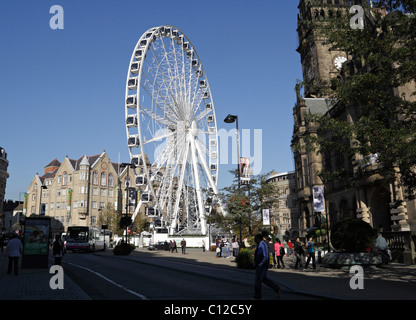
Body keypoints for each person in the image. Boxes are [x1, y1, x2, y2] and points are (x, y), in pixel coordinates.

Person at [253, 232, 281, 300]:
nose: (255, 240)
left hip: (262, 265)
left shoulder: (262, 245)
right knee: (264, 279)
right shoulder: (260, 244)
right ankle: (277, 288)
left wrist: (260, 264)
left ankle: (258, 296)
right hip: (261, 265)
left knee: (258, 281)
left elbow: (265, 256)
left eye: (255, 239)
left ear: (258, 239)